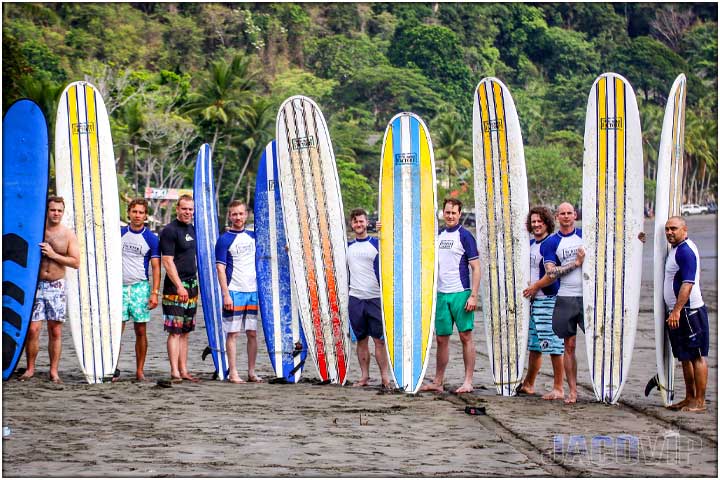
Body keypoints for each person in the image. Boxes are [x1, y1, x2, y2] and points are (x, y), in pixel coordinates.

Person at [421, 198, 480, 394]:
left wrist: (473, 296)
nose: (450, 216)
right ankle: (438, 381)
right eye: (447, 212)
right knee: (441, 339)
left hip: (460, 293)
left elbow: (476, 268)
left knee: (465, 336)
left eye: (454, 213)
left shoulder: (465, 236)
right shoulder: (437, 235)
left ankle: (468, 381)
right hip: (441, 294)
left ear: (460, 214)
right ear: (443, 213)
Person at [19, 196, 80, 383]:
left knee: (55, 331)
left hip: (56, 285)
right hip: (35, 285)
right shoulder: (35, 231)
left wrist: (54, 255)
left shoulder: (68, 234)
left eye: (59, 211)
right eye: (53, 210)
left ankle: (54, 371)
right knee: (33, 329)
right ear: (47, 210)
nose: (56, 213)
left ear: (63, 212)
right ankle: (30, 368)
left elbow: (76, 262)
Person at [518, 206, 565, 400]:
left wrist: (536, 286)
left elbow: (552, 275)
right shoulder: (529, 244)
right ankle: (529, 384)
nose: (536, 225)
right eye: (534, 222)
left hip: (548, 299)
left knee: (554, 345)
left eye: (540, 221)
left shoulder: (550, 243)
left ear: (547, 223)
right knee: (535, 344)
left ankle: (559, 387)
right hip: (533, 301)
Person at [540, 202, 585, 404]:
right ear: (557, 217)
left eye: (569, 213)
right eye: (562, 214)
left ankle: (604, 386)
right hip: (566, 295)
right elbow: (550, 272)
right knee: (569, 345)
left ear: (575, 215)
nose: (566, 216)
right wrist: (575, 264)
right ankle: (573, 391)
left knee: (598, 340)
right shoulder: (551, 243)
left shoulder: (586, 236)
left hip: (588, 296)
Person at [663, 216, 709, 413]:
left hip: (689, 311)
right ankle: (689, 397)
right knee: (684, 356)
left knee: (697, 356)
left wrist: (677, 311)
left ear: (684, 229)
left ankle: (700, 401)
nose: (669, 232)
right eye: (667, 229)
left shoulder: (686, 251)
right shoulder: (675, 249)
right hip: (679, 312)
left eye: (674, 228)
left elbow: (688, 283)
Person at [215, 201, 262, 384]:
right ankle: (233, 372)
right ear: (229, 216)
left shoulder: (253, 236)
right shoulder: (224, 240)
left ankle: (251, 372)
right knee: (233, 334)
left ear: (246, 214)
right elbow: (220, 269)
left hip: (252, 291)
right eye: (234, 214)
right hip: (234, 291)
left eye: (241, 214)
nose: (238, 217)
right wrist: (225, 294)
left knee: (252, 333)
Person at [115, 198, 161, 382]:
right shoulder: (118, 234)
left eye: (141, 212)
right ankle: (112, 368)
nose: (137, 216)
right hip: (119, 287)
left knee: (140, 331)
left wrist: (154, 293)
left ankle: (139, 371)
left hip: (140, 287)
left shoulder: (151, 238)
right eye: (134, 212)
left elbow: (156, 267)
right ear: (129, 213)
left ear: (145, 215)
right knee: (117, 330)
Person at [346, 208, 391, 389]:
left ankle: (385, 378)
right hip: (355, 298)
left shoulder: (377, 244)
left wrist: (385, 229)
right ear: (352, 224)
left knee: (379, 340)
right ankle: (364, 376)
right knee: (361, 339)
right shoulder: (347, 246)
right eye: (355, 222)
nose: (358, 224)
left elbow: (393, 247)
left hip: (375, 298)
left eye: (361, 221)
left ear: (367, 223)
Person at [160, 194, 200, 382]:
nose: (187, 212)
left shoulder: (193, 229)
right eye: (184, 208)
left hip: (192, 287)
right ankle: (174, 371)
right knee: (174, 331)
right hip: (175, 289)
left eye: (190, 209)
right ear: (177, 209)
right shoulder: (169, 230)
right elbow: (167, 262)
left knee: (185, 331)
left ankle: (184, 370)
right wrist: (179, 286)